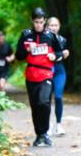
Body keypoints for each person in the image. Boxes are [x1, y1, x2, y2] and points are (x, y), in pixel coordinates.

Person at [15, 8, 64, 147]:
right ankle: (39, 134)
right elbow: (18, 56)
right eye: (36, 22)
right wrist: (26, 49)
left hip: (46, 74)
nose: (38, 25)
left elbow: (60, 52)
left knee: (44, 102)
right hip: (31, 75)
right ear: (32, 21)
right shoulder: (26, 35)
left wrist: (55, 56)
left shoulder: (50, 36)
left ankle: (45, 132)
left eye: (41, 22)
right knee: (35, 106)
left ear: (45, 21)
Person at [46, 17, 70, 136]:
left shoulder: (62, 40)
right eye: (51, 25)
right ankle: (48, 125)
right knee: (47, 99)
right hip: (47, 71)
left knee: (58, 97)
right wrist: (61, 54)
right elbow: (60, 54)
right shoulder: (44, 39)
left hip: (59, 71)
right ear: (47, 26)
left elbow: (64, 54)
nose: (53, 28)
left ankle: (59, 125)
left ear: (59, 27)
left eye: (56, 25)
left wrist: (58, 55)